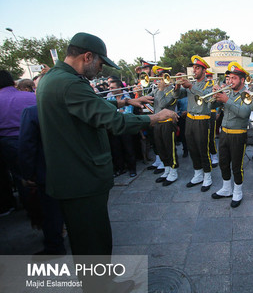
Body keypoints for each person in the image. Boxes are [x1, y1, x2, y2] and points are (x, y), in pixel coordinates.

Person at [36, 32, 177, 260]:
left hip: (74, 177)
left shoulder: (55, 78)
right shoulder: (69, 83)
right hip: (81, 178)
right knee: (93, 246)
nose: (101, 70)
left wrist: (125, 100)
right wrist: (156, 117)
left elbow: (89, 104)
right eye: (100, 63)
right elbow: (116, 121)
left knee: (91, 242)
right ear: (88, 56)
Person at [18, 73, 66, 256]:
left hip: (46, 173)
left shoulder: (31, 113)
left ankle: (54, 246)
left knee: (51, 212)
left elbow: (26, 147)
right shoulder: (70, 110)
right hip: (72, 172)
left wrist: (27, 174)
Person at [210, 62, 251, 208]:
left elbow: (244, 113)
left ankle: (238, 192)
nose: (230, 81)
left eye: (234, 78)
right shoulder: (227, 92)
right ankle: (226, 188)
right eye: (229, 78)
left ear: (242, 80)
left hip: (238, 134)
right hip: (224, 133)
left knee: (237, 165)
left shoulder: (247, 94)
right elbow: (210, 107)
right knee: (223, 162)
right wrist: (215, 97)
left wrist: (226, 101)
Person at [173, 55, 214, 192]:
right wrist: (177, 85)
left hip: (202, 120)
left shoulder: (209, 84)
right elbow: (176, 96)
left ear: (204, 70)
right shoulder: (192, 84)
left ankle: (207, 176)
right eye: (194, 68)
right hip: (190, 119)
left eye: (197, 68)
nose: (194, 70)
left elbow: (205, 96)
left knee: (203, 148)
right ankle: (198, 174)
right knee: (192, 147)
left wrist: (190, 86)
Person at [0, 70, 37, 216]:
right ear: (13, 82)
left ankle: (31, 210)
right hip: (35, 139)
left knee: (20, 178)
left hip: (8, 144)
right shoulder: (30, 97)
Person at [150, 67, 179, 186]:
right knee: (160, 147)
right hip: (157, 122)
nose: (159, 80)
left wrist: (161, 89)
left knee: (169, 148)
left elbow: (162, 104)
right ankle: (166, 169)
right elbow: (150, 99)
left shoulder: (172, 91)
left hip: (168, 122)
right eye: (159, 76)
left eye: (162, 77)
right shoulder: (157, 89)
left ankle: (174, 171)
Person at [107, 78, 138, 178]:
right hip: (114, 128)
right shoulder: (110, 98)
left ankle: (132, 169)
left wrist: (116, 112)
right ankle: (120, 169)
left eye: (112, 87)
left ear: (120, 88)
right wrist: (119, 111)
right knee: (116, 149)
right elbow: (107, 112)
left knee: (129, 149)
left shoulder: (127, 98)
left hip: (125, 127)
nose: (109, 89)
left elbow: (128, 113)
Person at [206, 69, 219, 167]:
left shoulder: (213, 85)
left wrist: (218, 112)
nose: (208, 79)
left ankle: (214, 155)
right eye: (207, 77)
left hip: (212, 112)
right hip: (203, 113)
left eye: (210, 77)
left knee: (211, 136)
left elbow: (217, 99)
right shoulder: (202, 85)